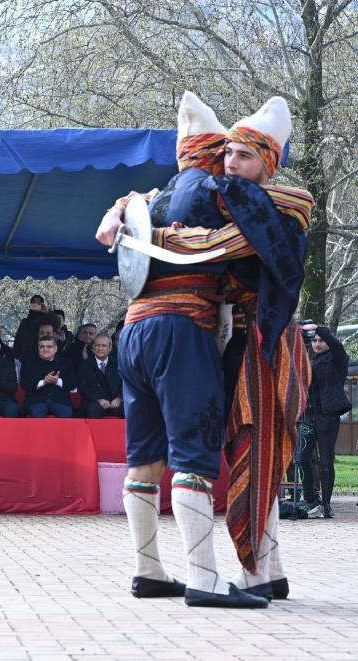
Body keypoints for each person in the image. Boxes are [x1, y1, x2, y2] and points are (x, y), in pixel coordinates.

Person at [94, 92, 308, 607]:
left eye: (242, 155)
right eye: (225, 153)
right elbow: (223, 239)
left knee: (239, 452)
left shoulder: (168, 199)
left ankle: (248, 570)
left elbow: (280, 212)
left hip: (156, 332)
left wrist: (133, 220)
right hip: (197, 332)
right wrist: (127, 214)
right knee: (226, 451)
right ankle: (212, 577)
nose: (229, 164)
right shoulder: (218, 195)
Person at [299, 323, 350, 518]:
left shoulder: (338, 358)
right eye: (314, 341)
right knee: (302, 457)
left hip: (328, 416)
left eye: (320, 340)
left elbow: (335, 344)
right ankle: (311, 501)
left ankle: (326, 505)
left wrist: (318, 328)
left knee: (326, 460)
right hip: (309, 415)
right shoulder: (311, 361)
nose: (317, 344)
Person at [21, 336, 75, 418]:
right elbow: (24, 384)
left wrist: (57, 381)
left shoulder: (66, 363)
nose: (45, 349)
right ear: (38, 348)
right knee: (36, 413)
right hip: (36, 401)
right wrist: (43, 382)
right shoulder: (29, 363)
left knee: (67, 413)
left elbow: (73, 383)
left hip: (60, 401)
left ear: (55, 349)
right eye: (42, 347)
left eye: (49, 346)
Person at [79, 334, 123, 418]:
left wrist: (119, 398)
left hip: (115, 402)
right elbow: (83, 387)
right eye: (97, 345)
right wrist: (99, 399)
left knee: (131, 409)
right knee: (92, 410)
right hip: (95, 402)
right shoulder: (85, 365)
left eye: (104, 346)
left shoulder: (118, 364)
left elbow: (125, 384)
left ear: (110, 348)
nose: (100, 348)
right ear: (93, 348)